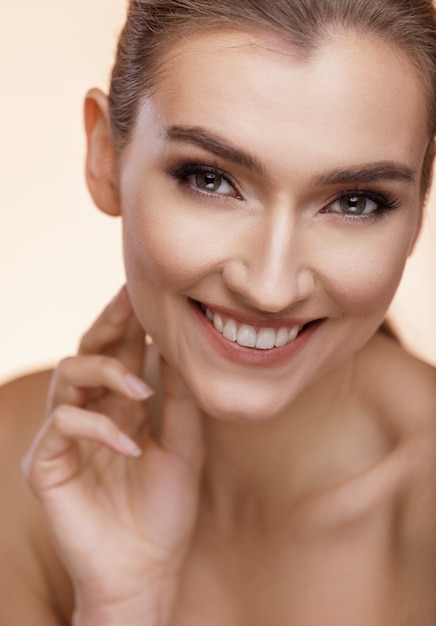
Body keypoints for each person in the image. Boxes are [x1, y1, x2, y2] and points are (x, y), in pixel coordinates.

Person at [1, 0, 436, 624]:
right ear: (105, 155)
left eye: (356, 201)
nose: (270, 286)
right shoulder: (14, 463)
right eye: (209, 179)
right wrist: (120, 604)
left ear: (419, 207)